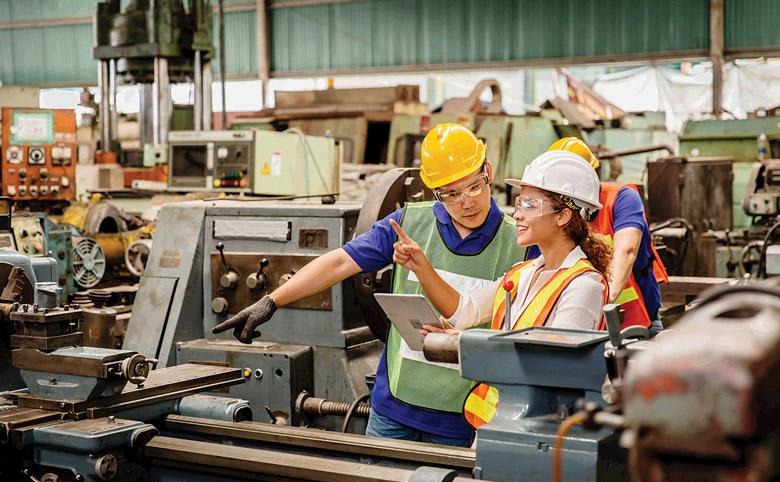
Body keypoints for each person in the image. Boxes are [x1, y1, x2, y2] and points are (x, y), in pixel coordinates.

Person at [212, 123, 526, 447]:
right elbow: (340, 262)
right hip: (393, 411)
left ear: (488, 172)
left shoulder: (520, 242)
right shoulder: (407, 223)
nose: (467, 202)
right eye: (452, 193)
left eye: (474, 187)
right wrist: (271, 301)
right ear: (436, 192)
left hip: (462, 416)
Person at [392, 150, 612, 429]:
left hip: (540, 430)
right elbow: (464, 310)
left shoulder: (583, 286)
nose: (517, 215)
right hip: (502, 422)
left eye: (530, 205)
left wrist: (465, 344)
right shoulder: (522, 274)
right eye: (519, 203)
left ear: (563, 216)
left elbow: (556, 367)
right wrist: (421, 267)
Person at [540, 138, 668, 336]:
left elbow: (626, 251)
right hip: (582, 324)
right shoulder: (557, 213)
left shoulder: (622, 199)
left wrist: (601, 302)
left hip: (635, 324)